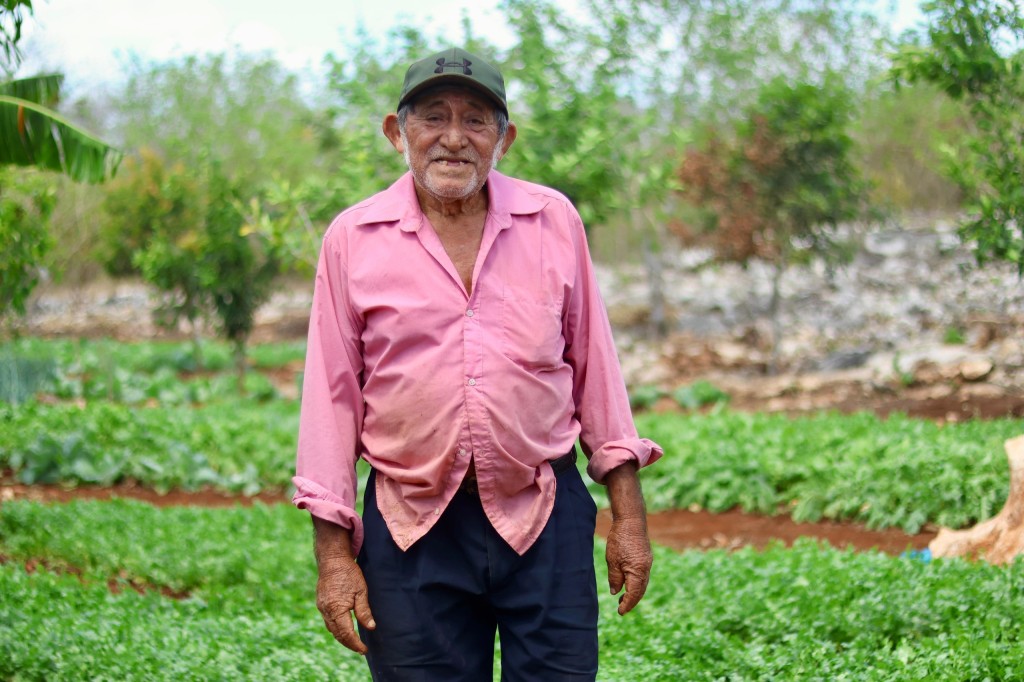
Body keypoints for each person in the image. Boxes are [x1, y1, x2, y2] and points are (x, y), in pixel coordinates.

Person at [292, 46, 663, 682]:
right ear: (397, 132)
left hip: (543, 510)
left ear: (504, 139)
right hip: (410, 525)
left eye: (475, 120)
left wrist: (628, 517)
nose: (454, 138)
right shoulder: (353, 238)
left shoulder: (552, 220)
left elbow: (594, 365)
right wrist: (333, 556)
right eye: (434, 117)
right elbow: (331, 399)